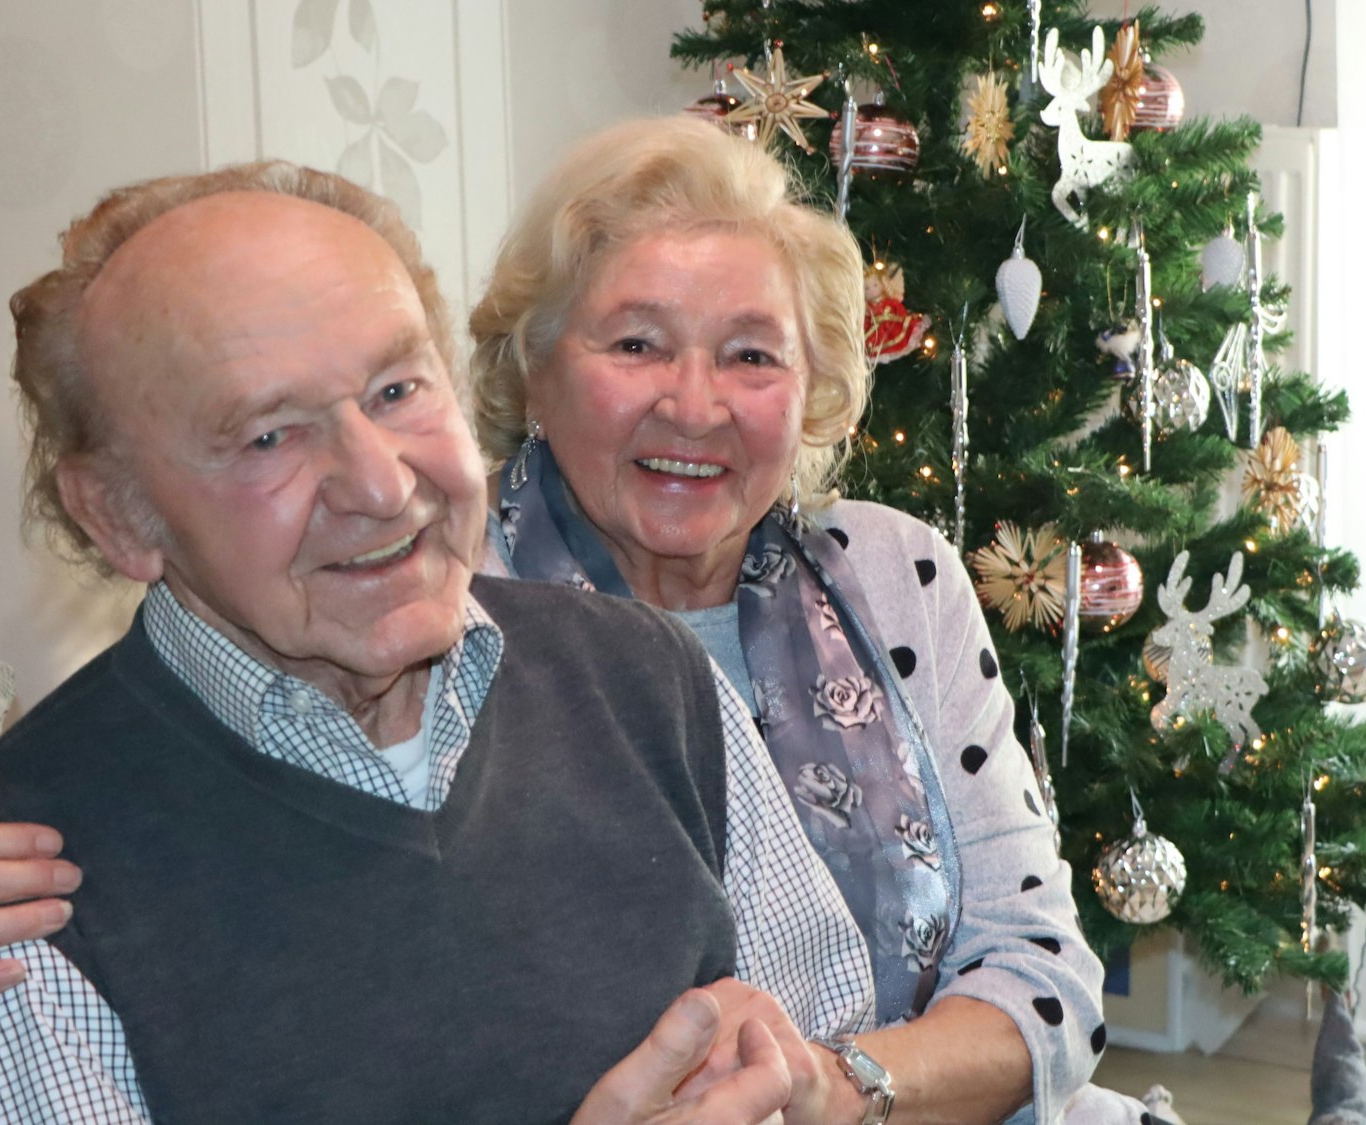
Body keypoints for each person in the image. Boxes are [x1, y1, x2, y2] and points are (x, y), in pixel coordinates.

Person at [0, 160, 877, 1123]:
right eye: (269, 435)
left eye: (397, 391)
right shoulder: (2, 895)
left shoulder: (648, 685)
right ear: (120, 516)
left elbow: (822, 1052)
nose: (383, 485)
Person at [466, 115, 1106, 1122]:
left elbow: (1043, 977)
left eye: (750, 357)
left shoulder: (898, 577)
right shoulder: (442, 612)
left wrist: (846, 1087)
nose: (693, 405)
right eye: (636, 343)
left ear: (814, 398)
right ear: (533, 368)